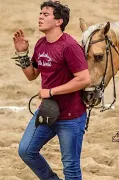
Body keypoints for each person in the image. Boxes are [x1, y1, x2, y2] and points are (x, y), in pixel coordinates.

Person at [12, 1, 90, 179]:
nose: (40, 16)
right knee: (26, 151)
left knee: (70, 167)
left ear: (58, 21)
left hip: (71, 117)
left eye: (45, 14)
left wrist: (52, 91)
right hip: (47, 112)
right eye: (40, 13)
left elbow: (84, 79)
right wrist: (22, 54)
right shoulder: (41, 44)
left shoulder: (69, 46)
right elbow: (32, 74)